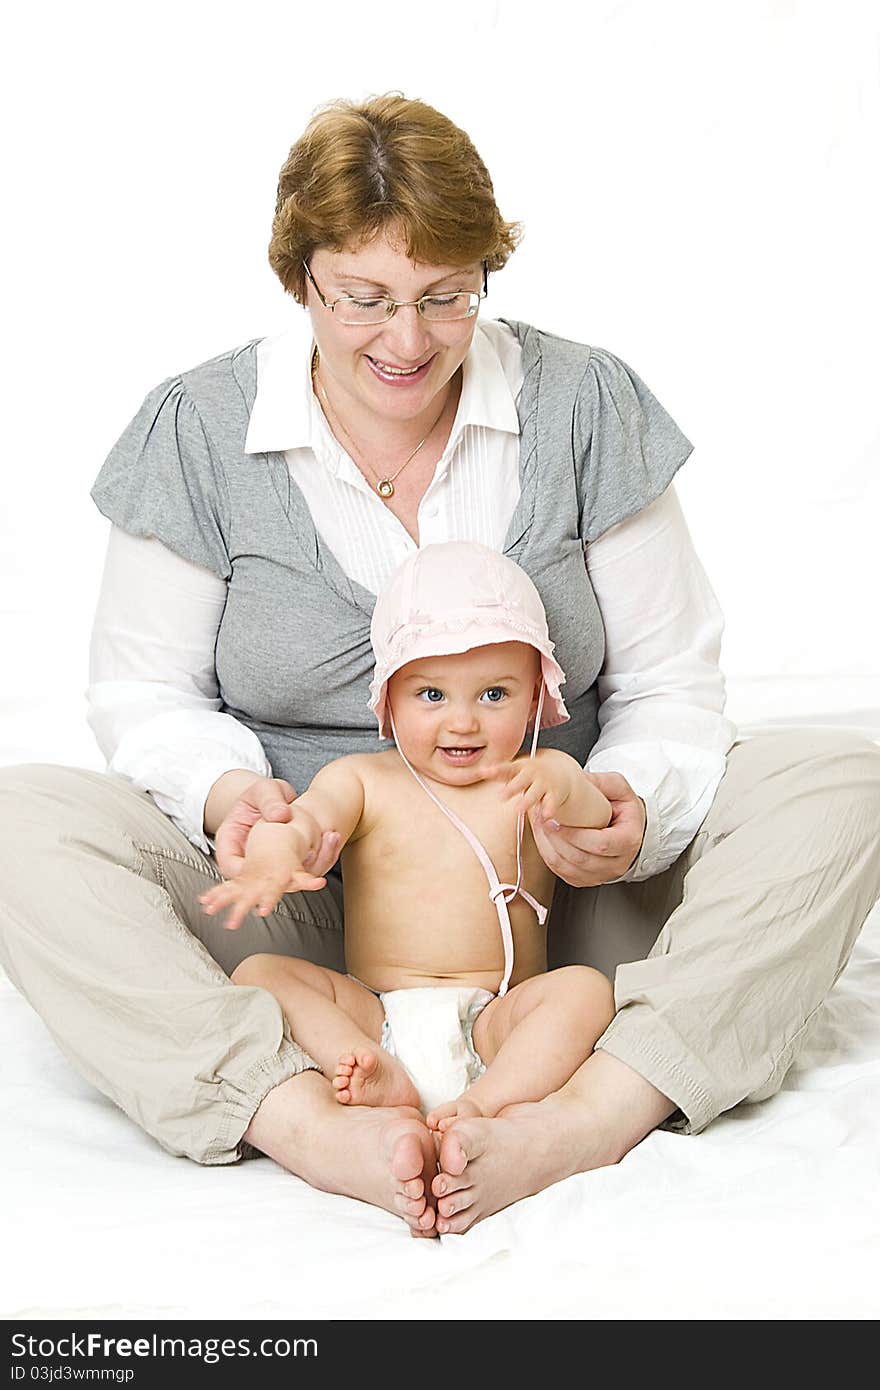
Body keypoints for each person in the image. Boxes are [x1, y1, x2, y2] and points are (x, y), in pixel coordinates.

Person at [0, 93, 878, 1240]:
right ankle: (306, 1120)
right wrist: (237, 799)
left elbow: (671, 683)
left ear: (483, 274)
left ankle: (587, 1113)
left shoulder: (583, 403)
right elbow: (143, 694)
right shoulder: (197, 430)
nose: (406, 342)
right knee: (23, 821)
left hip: (555, 899)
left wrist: (624, 809)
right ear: (298, 278)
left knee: (839, 782)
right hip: (319, 913)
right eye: (361, 299)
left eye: (446, 297)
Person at [199, 542, 615, 1148]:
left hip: (497, 1022)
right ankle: (365, 1067)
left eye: (494, 695)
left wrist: (569, 788)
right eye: (431, 695)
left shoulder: (540, 774)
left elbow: (599, 818)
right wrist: (270, 856)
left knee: (585, 991)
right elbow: (304, 819)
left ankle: (490, 1100)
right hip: (379, 1014)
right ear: (388, 700)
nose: (462, 721)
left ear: (534, 698)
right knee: (260, 973)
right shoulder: (364, 780)